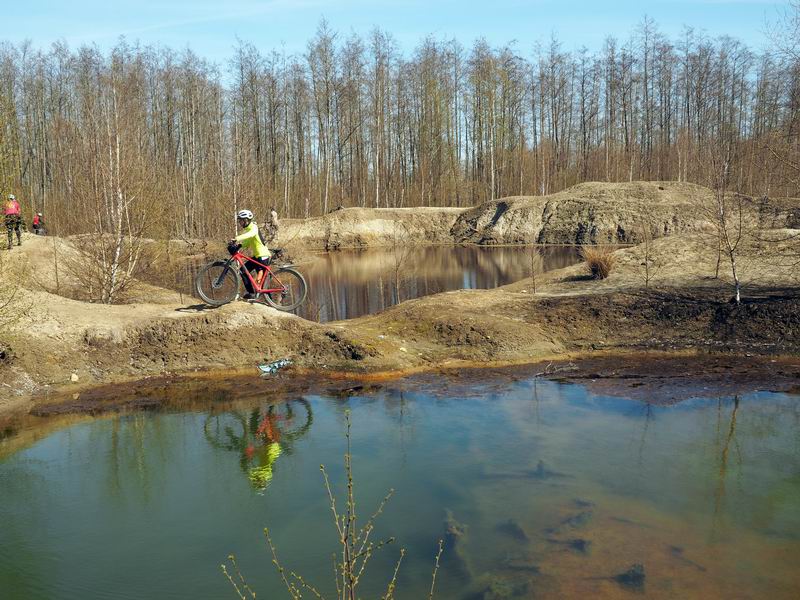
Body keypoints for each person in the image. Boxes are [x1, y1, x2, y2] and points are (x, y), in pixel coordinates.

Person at [231, 209, 271, 300]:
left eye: (241, 220)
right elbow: (248, 241)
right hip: (258, 257)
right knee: (243, 270)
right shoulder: (250, 229)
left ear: (246, 220)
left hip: (263, 257)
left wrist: (236, 238)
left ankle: (271, 302)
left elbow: (250, 234)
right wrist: (240, 245)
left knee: (263, 283)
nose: (240, 223)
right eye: (239, 221)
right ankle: (251, 293)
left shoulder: (254, 228)